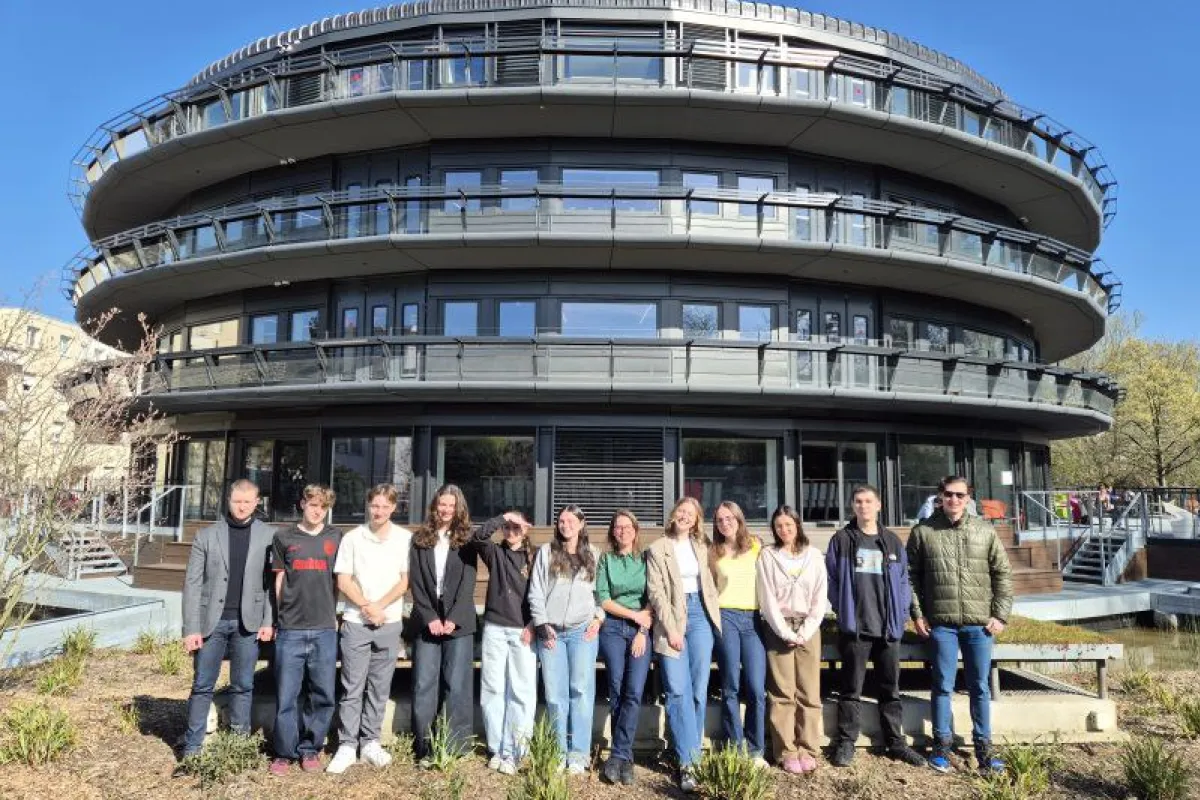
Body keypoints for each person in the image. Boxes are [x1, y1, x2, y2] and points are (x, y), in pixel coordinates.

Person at [908, 475, 1013, 775]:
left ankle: (983, 748)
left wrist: (1000, 615)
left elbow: (1003, 574)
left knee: (979, 687)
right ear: (940, 496)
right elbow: (910, 577)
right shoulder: (923, 532)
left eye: (959, 495)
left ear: (968, 499)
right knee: (942, 685)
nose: (953, 500)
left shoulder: (985, 530)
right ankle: (940, 746)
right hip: (942, 625)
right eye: (948, 495)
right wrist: (917, 614)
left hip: (979, 626)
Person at [178, 479, 275, 768]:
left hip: (249, 624)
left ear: (257, 502)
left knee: (243, 686)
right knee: (202, 686)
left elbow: (272, 584)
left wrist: (269, 621)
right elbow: (192, 584)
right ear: (228, 501)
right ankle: (193, 747)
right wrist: (191, 628)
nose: (242, 506)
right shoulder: (206, 536)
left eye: (247, 501)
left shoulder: (270, 536)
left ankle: (238, 745)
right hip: (211, 624)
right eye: (237, 501)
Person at [825, 485, 924, 768]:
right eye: (858, 501)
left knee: (889, 689)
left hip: (888, 629)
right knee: (850, 690)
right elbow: (831, 579)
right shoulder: (841, 540)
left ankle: (895, 743)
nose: (863, 506)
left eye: (868, 501)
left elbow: (904, 580)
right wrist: (841, 607)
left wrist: (902, 610)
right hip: (856, 629)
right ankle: (846, 743)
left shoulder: (892, 541)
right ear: (852, 506)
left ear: (878, 505)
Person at [326, 484, 413, 774]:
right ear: (368, 506)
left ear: (394, 508)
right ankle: (348, 745)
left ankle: (371, 742)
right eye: (375, 505)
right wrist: (366, 605)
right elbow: (344, 580)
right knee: (352, 686)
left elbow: (404, 581)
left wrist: (380, 606)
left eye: (385, 506)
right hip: (355, 621)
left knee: (379, 686)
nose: (379, 511)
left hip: (388, 622)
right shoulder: (353, 538)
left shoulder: (404, 539)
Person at [646, 496, 721, 793]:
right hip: (672, 619)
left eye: (691, 513)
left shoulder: (703, 546)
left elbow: (716, 579)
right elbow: (656, 592)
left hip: (701, 617)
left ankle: (686, 752)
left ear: (697, 519)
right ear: (673, 514)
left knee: (699, 690)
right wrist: (672, 627)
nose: (685, 516)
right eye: (681, 511)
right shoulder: (657, 548)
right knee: (678, 690)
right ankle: (689, 763)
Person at [269, 484, 342, 775]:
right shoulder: (283, 537)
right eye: (313, 504)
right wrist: (280, 618)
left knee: (323, 693)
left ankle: (311, 749)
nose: (317, 510)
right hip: (291, 628)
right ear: (302, 504)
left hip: (324, 627)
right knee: (287, 693)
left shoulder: (336, 538)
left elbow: (339, 582)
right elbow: (278, 581)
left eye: (323, 506)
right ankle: (283, 752)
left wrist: (334, 616)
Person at [527, 505, 603, 774]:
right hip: (552, 635)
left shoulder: (594, 554)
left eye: (571, 521)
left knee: (581, 691)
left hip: (583, 632)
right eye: (561, 521)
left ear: (582, 524)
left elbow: (602, 593)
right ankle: (558, 752)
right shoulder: (547, 553)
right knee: (555, 694)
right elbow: (535, 592)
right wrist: (542, 625)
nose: (565, 525)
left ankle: (579, 754)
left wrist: (599, 617)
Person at [408, 484, 479, 767]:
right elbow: (416, 582)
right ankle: (424, 747)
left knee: (457, 684)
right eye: (442, 504)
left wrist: (454, 618)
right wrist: (430, 618)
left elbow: (468, 582)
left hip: (458, 621)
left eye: (451, 504)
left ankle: (454, 746)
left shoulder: (467, 539)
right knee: (424, 683)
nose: (445, 509)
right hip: (428, 620)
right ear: (435, 505)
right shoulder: (420, 539)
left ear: (458, 507)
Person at [757, 504, 827, 775]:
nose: (784, 530)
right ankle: (785, 750)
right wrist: (785, 632)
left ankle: (808, 748)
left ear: (797, 525)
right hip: (779, 628)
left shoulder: (814, 557)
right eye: (778, 526)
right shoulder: (768, 556)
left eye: (788, 524)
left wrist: (806, 631)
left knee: (809, 691)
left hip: (808, 628)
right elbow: (767, 598)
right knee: (782, 693)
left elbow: (820, 598)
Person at [475, 508, 537, 776]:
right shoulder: (495, 553)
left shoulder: (535, 557)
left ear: (526, 529)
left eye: (516, 528)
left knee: (521, 691)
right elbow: (478, 537)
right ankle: (496, 747)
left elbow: (542, 592)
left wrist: (534, 624)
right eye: (507, 528)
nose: (511, 532)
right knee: (493, 688)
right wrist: (503, 517)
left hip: (523, 630)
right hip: (494, 628)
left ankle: (515, 749)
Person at [595, 509, 652, 785]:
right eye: (617, 527)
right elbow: (604, 599)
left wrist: (643, 629)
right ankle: (624, 758)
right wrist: (633, 616)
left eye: (627, 527)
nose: (622, 531)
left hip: (641, 631)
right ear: (612, 532)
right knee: (617, 689)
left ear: (635, 531)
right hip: (613, 629)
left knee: (634, 691)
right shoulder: (606, 560)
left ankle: (619, 755)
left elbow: (655, 596)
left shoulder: (646, 559)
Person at [709, 501, 767, 765]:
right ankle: (736, 745)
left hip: (752, 619)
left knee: (755, 687)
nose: (725, 523)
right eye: (720, 519)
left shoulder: (756, 546)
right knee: (730, 685)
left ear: (739, 519)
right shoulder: (713, 552)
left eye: (729, 518)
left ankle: (756, 749)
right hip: (726, 617)